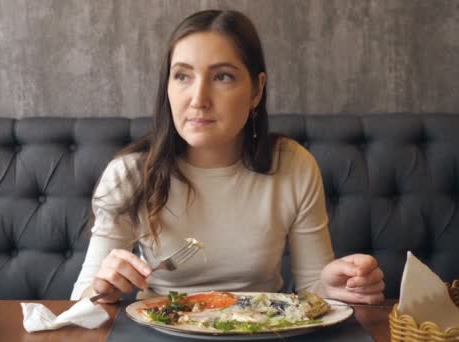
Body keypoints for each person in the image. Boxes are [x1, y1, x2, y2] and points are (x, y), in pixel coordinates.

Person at [71, 9, 385, 305]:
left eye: (222, 77)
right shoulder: (129, 174)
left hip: (264, 330)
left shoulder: (293, 166)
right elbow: (80, 302)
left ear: (256, 90)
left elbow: (313, 293)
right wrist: (102, 290)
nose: (198, 99)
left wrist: (332, 287)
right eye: (182, 76)